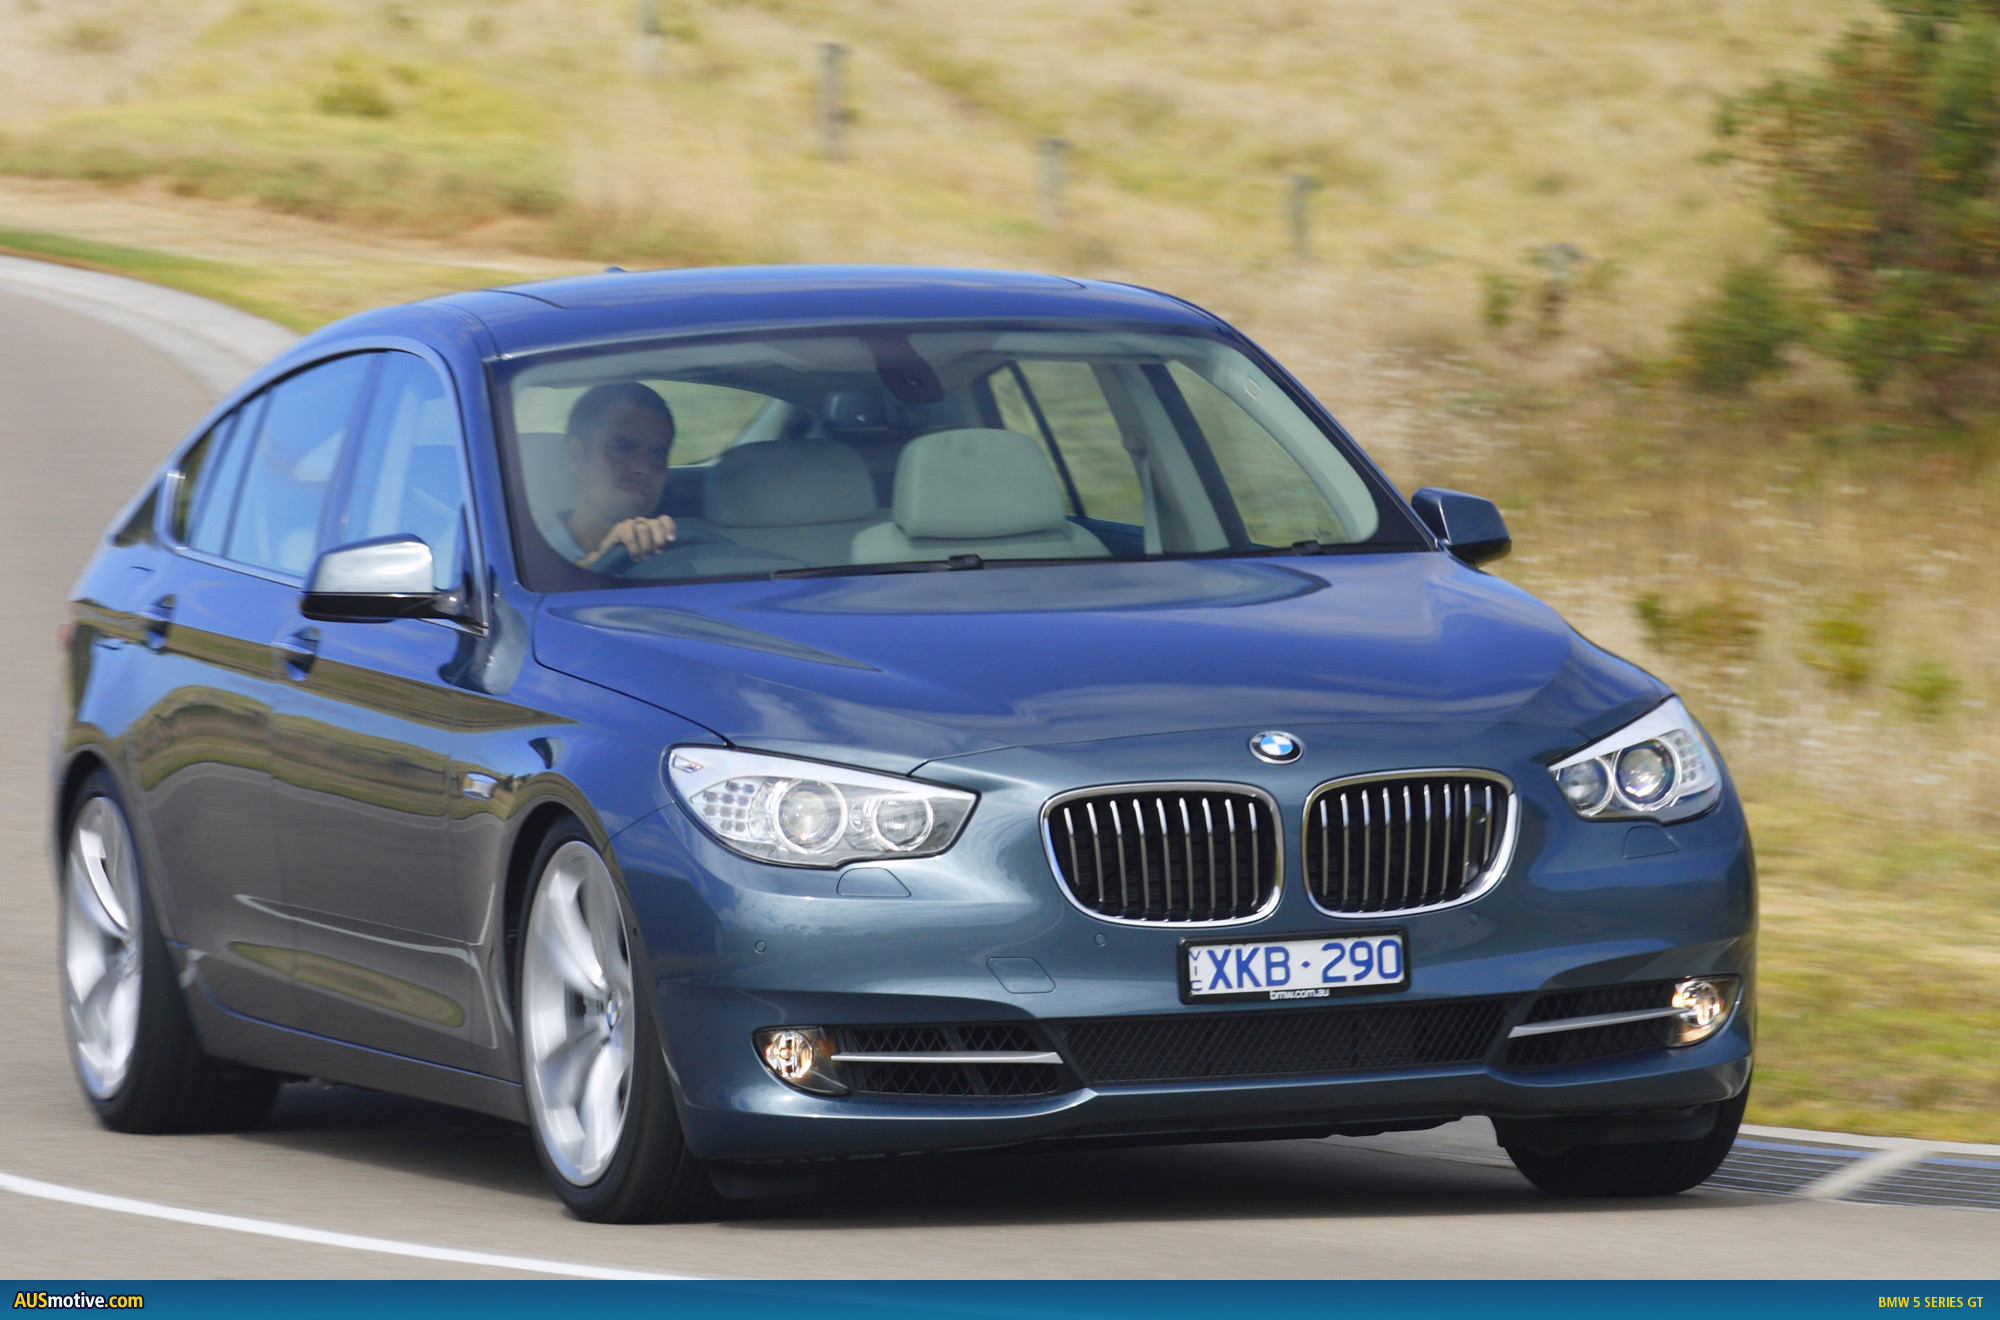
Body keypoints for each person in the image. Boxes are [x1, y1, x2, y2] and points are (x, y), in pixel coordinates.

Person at [540, 382, 680, 569]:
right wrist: (599, 559)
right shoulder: (525, 550)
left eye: (658, 455)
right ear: (576, 456)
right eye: (622, 448)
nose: (644, 468)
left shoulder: (679, 553)